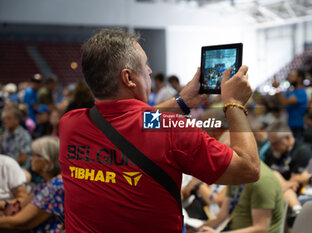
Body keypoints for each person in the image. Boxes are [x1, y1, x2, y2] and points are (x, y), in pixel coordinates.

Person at [59, 29, 259, 233]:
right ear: (128, 78)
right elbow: (248, 168)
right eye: (144, 65)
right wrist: (234, 104)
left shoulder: (69, 125)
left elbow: (129, 123)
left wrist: (181, 102)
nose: (150, 70)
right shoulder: (172, 130)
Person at [0, 136, 64, 232]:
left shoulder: (56, 185)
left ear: (47, 162)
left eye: (35, 155)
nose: (31, 158)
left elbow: (19, 222)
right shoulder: (45, 181)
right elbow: (22, 206)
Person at [198, 162, 284, 233]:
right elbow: (222, 215)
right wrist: (196, 230)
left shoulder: (263, 181)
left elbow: (260, 229)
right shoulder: (237, 174)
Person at [273, 70, 308, 141]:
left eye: (292, 76)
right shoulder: (291, 92)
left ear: (299, 78)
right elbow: (279, 101)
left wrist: (277, 88)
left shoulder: (301, 92)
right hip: (289, 126)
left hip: (297, 127)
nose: (289, 78)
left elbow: (284, 102)